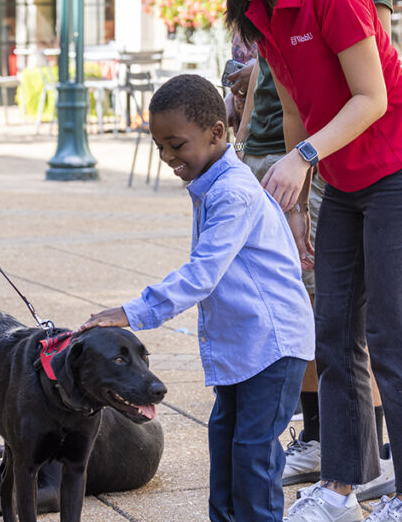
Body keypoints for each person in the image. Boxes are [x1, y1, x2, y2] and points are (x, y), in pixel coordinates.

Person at [184, 0, 402, 522]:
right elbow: (298, 96)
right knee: (330, 333)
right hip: (343, 181)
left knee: (393, 336)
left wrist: (301, 158)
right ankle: (339, 485)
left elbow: (372, 97)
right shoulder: (260, 12)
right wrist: (301, 196)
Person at [229, 0, 397, 500]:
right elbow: (273, 61)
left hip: (334, 153)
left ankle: (366, 450)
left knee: (343, 313)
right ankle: (325, 438)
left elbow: (375, 66)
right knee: (288, 304)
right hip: (276, 140)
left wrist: (312, 156)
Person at [81, 73, 314, 522]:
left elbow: (202, 274)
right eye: (159, 147)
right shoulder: (212, 183)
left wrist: (132, 312)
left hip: (273, 345)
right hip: (245, 346)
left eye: (176, 145)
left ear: (216, 133)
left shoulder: (233, 192)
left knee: (253, 454)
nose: (169, 157)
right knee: (225, 439)